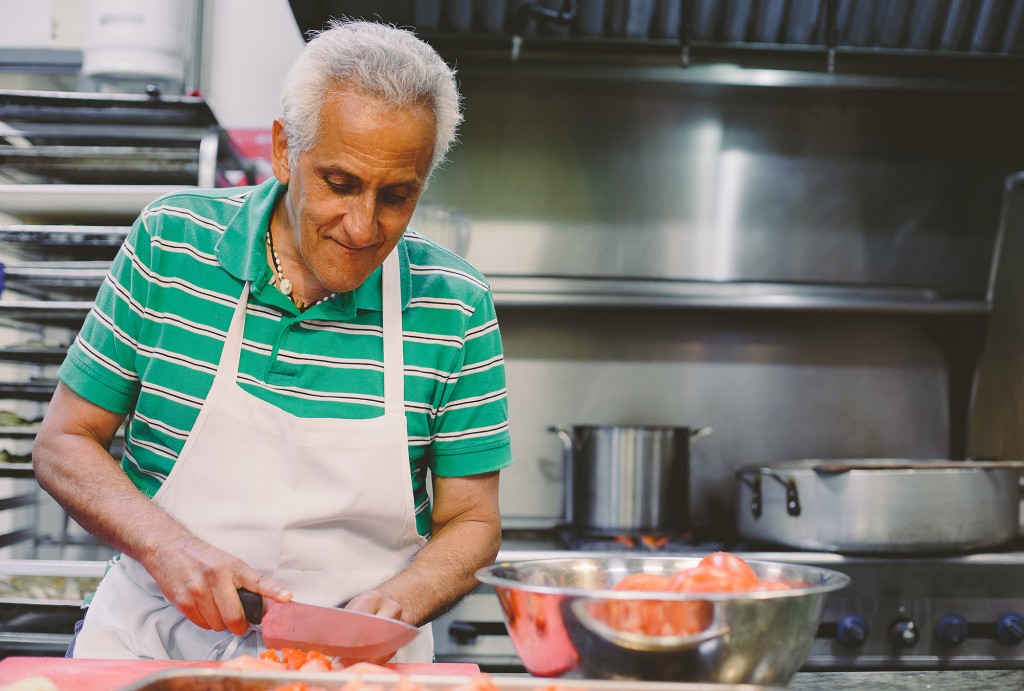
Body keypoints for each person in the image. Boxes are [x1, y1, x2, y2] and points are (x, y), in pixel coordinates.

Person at [32, 19, 512, 663]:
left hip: (356, 668)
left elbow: (473, 521)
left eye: (398, 196)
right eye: (340, 184)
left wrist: (400, 602)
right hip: (148, 654)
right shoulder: (172, 245)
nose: (364, 226)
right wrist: (167, 547)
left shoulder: (453, 305)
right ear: (286, 151)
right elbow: (65, 443)